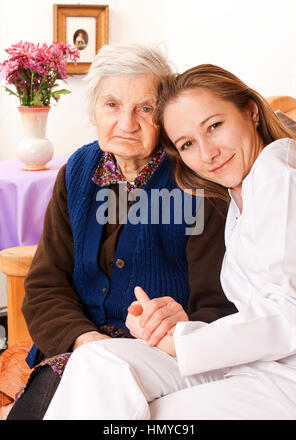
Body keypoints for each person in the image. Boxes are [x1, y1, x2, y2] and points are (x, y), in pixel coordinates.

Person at [43, 64, 296, 420]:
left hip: (282, 378)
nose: (208, 153)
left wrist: (180, 339)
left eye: (215, 126)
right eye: (188, 143)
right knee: (97, 360)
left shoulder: (278, 181)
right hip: (239, 361)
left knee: (142, 414)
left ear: (251, 112)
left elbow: (289, 314)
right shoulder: (236, 189)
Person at [7, 50, 236, 420]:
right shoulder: (77, 172)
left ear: (163, 118)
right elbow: (46, 284)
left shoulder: (195, 182)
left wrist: (183, 321)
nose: (126, 123)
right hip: (79, 347)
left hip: (161, 357)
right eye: (112, 104)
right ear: (93, 112)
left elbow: (223, 304)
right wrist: (85, 341)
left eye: (145, 109)